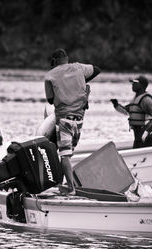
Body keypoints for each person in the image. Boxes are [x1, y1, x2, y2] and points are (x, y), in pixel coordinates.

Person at [44, 48, 100, 195]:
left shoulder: (50, 76)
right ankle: (60, 184)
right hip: (79, 120)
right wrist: (80, 81)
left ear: (54, 61)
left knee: (64, 155)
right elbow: (97, 70)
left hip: (64, 120)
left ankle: (71, 189)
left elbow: (50, 100)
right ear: (67, 58)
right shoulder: (79, 67)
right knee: (66, 152)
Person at [110, 75, 152, 149]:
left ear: (142, 85)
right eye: (132, 83)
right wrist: (116, 105)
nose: (132, 84)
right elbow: (127, 111)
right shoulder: (136, 99)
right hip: (138, 137)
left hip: (148, 137)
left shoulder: (146, 100)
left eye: (135, 83)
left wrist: (146, 133)